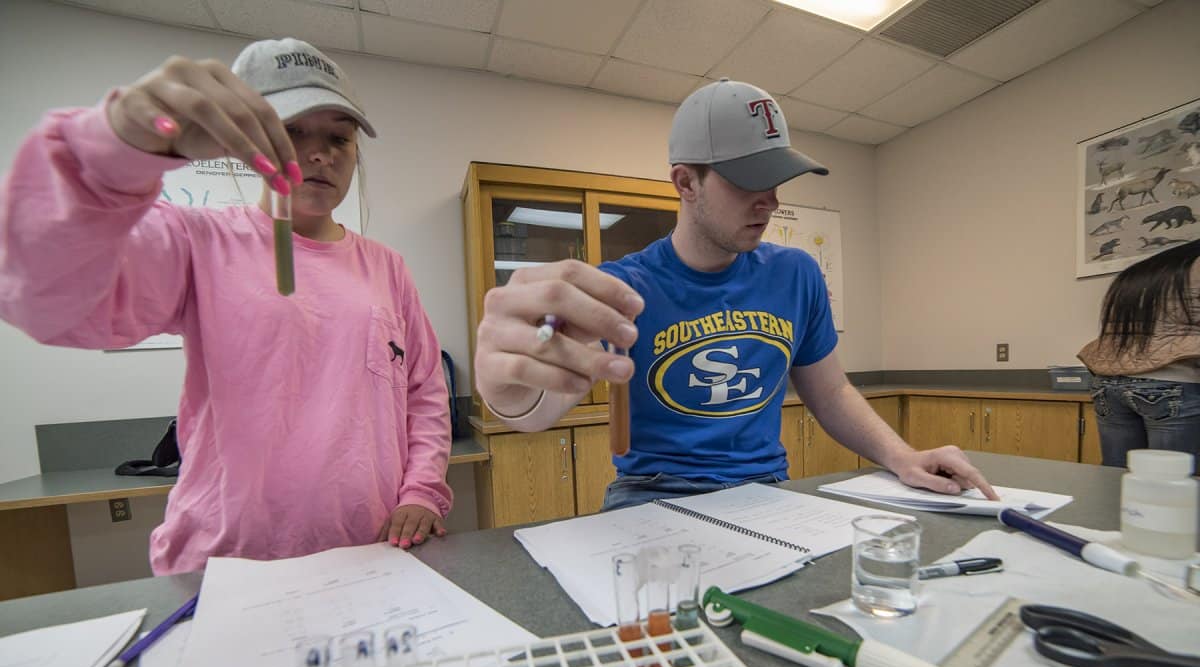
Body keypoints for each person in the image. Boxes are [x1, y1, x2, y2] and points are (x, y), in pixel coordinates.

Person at [0, 38, 452, 573]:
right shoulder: (197, 241)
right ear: (243, 142)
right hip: (230, 566)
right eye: (292, 131)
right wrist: (114, 149)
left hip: (368, 557)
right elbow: (42, 296)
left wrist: (422, 490)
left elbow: (423, 391)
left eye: (339, 137)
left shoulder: (386, 268)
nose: (319, 153)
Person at [473, 78, 997, 509]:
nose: (770, 201)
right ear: (685, 182)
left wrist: (903, 456)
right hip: (653, 494)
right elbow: (538, 410)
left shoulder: (797, 274)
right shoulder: (622, 287)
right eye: (749, 180)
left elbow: (832, 393)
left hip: (767, 487)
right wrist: (509, 391)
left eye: (777, 179)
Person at [1077, 238, 1200, 468]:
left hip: (1109, 384)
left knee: (1116, 475)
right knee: (1168, 481)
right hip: (1171, 380)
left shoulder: (1142, 272)